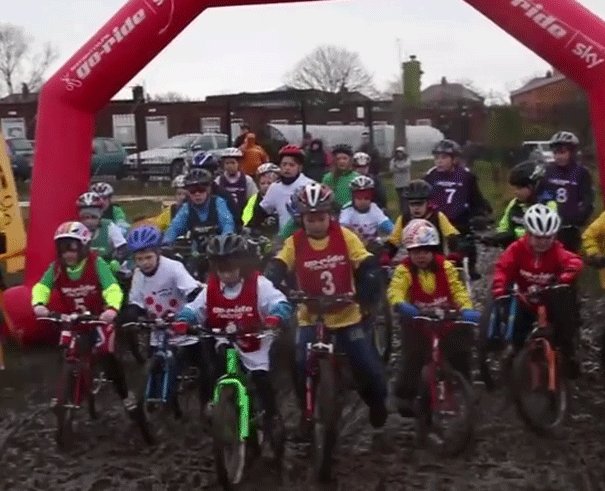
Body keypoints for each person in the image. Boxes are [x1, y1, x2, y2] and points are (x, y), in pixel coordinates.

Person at [264, 183, 388, 431]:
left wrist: (369, 280)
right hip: (311, 316)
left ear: (329, 216)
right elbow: (278, 264)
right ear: (301, 219)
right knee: (299, 363)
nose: (317, 224)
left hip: (346, 315)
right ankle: (306, 411)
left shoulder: (344, 236)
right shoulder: (294, 242)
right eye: (311, 219)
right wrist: (270, 280)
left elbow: (364, 262)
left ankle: (377, 403)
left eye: (321, 218)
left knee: (369, 367)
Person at [177, 234, 293, 448]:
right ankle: (218, 408)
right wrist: (184, 319)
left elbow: (280, 302)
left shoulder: (259, 284)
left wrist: (275, 316)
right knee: (214, 370)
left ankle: (271, 419)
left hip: (255, 342)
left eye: (230, 268)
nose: (226, 274)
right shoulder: (210, 288)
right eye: (221, 269)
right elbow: (194, 308)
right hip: (225, 340)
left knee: (261, 379)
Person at [31, 221, 138, 417]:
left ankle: (125, 395)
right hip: (72, 319)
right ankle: (64, 391)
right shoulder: (55, 268)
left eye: (73, 247)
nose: (68, 254)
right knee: (64, 349)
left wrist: (112, 308)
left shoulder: (97, 263)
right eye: (63, 249)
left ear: (84, 247)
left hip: (98, 319)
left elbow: (112, 287)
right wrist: (38, 303)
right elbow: (42, 286)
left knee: (107, 355)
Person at [387, 219, 479, 415]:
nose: (420, 256)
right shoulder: (404, 270)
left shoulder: (445, 267)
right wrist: (400, 303)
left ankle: (464, 390)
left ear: (433, 250)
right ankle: (405, 397)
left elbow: (458, 290)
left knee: (461, 352)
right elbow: (396, 289)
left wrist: (466, 308)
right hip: (418, 323)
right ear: (409, 252)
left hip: (446, 320)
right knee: (412, 359)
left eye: (425, 251)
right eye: (415, 251)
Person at [119, 225, 211, 408]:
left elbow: (191, 290)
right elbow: (136, 300)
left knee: (204, 367)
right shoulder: (138, 274)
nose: (144, 263)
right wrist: (132, 314)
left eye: (148, 257)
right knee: (157, 369)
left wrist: (192, 308)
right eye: (139, 259)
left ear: (158, 253)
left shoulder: (173, 268)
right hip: (159, 328)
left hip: (183, 325)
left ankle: (207, 404)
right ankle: (162, 404)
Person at [492, 204, 583, 377]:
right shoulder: (517, 249)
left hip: (552, 300)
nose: (542, 242)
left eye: (547, 237)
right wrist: (499, 288)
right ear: (528, 234)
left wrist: (565, 277)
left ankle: (570, 355)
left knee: (565, 328)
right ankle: (514, 361)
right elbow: (502, 268)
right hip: (526, 299)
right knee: (516, 331)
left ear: (554, 236)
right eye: (537, 237)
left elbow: (575, 262)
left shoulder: (556, 250)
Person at [424, 139, 492, 279]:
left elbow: (475, 198)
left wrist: (482, 212)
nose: (439, 161)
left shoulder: (466, 176)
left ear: (454, 159)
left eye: (444, 157)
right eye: (436, 158)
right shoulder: (430, 176)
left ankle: (469, 268)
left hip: (459, 219)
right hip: (436, 220)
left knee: (467, 243)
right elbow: (421, 196)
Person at [535, 131, 594, 252]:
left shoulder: (581, 173)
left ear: (572, 153)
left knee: (569, 262)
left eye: (562, 152)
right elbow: (539, 194)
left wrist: (579, 216)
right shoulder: (548, 170)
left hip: (569, 229)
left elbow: (588, 199)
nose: (558, 157)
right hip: (548, 228)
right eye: (556, 153)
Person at [484, 161, 556, 248]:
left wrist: (513, 236)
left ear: (533, 186)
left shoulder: (548, 206)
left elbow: (543, 236)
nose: (515, 192)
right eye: (515, 188)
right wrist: (497, 237)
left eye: (519, 188)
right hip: (516, 254)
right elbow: (504, 226)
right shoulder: (515, 203)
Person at [386, 180, 459, 258]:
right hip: (412, 261)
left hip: (436, 261)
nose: (416, 208)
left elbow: (451, 235)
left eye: (420, 204)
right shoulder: (403, 218)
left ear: (428, 203)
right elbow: (393, 241)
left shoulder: (437, 216)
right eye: (412, 204)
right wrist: (386, 256)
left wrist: (454, 254)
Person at [250, 144, 315, 231]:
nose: (287, 168)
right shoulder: (275, 188)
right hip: (283, 239)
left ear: (299, 167)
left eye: (291, 165)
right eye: (284, 164)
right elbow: (260, 213)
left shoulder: (309, 185)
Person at [163, 168, 235, 245]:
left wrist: (226, 238)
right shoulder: (186, 208)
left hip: (218, 249)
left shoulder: (218, 202)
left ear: (208, 189)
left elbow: (227, 223)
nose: (197, 194)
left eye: (201, 189)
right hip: (194, 251)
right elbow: (174, 228)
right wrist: (166, 242)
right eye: (192, 190)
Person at [76, 192, 128, 272]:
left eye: (93, 217)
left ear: (100, 214)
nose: (89, 221)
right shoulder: (76, 229)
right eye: (85, 217)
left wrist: (117, 261)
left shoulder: (109, 226)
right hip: (84, 269)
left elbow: (122, 247)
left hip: (108, 267)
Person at [339, 175, 394, 245]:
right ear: (353, 198)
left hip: (372, 245)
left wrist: (395, 233)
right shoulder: (347, 209)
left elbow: (387, 225)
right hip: (353, 244)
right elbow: (342, 228)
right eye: (359, 198)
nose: (363, 201)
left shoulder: (374, 208)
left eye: (366, 198)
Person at [215, 147, 258, 217]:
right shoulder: (218, 180)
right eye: (227, 163)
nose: (230, 166)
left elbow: (254, 199)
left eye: (233, 163)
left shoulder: (247, 180)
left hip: (243, 216)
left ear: (239, 164)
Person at [242, 163, 280, 235]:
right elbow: (246, 219)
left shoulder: (282, 197)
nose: (266, 186)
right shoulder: (254, 199)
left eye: (269, 183)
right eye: (262, 183)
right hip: (259, 235)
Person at [322, 144, 359, 208]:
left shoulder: (356, 177)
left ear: (350, 160)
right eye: (338, 159)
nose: (342, 161)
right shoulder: (328, 178)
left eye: (345, 158)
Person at [389, 146, 411, 212]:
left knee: (405, 197)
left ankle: (406, 209)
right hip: (398, 183)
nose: (399, 154)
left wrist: (398, 167)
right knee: (400, 198)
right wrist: (400, 169)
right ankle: (402, 210)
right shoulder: (393, 161)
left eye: (400, 152)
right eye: (398, 152)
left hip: (405, 182)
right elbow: (391, 169)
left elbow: (406, 166)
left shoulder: (407, 159)